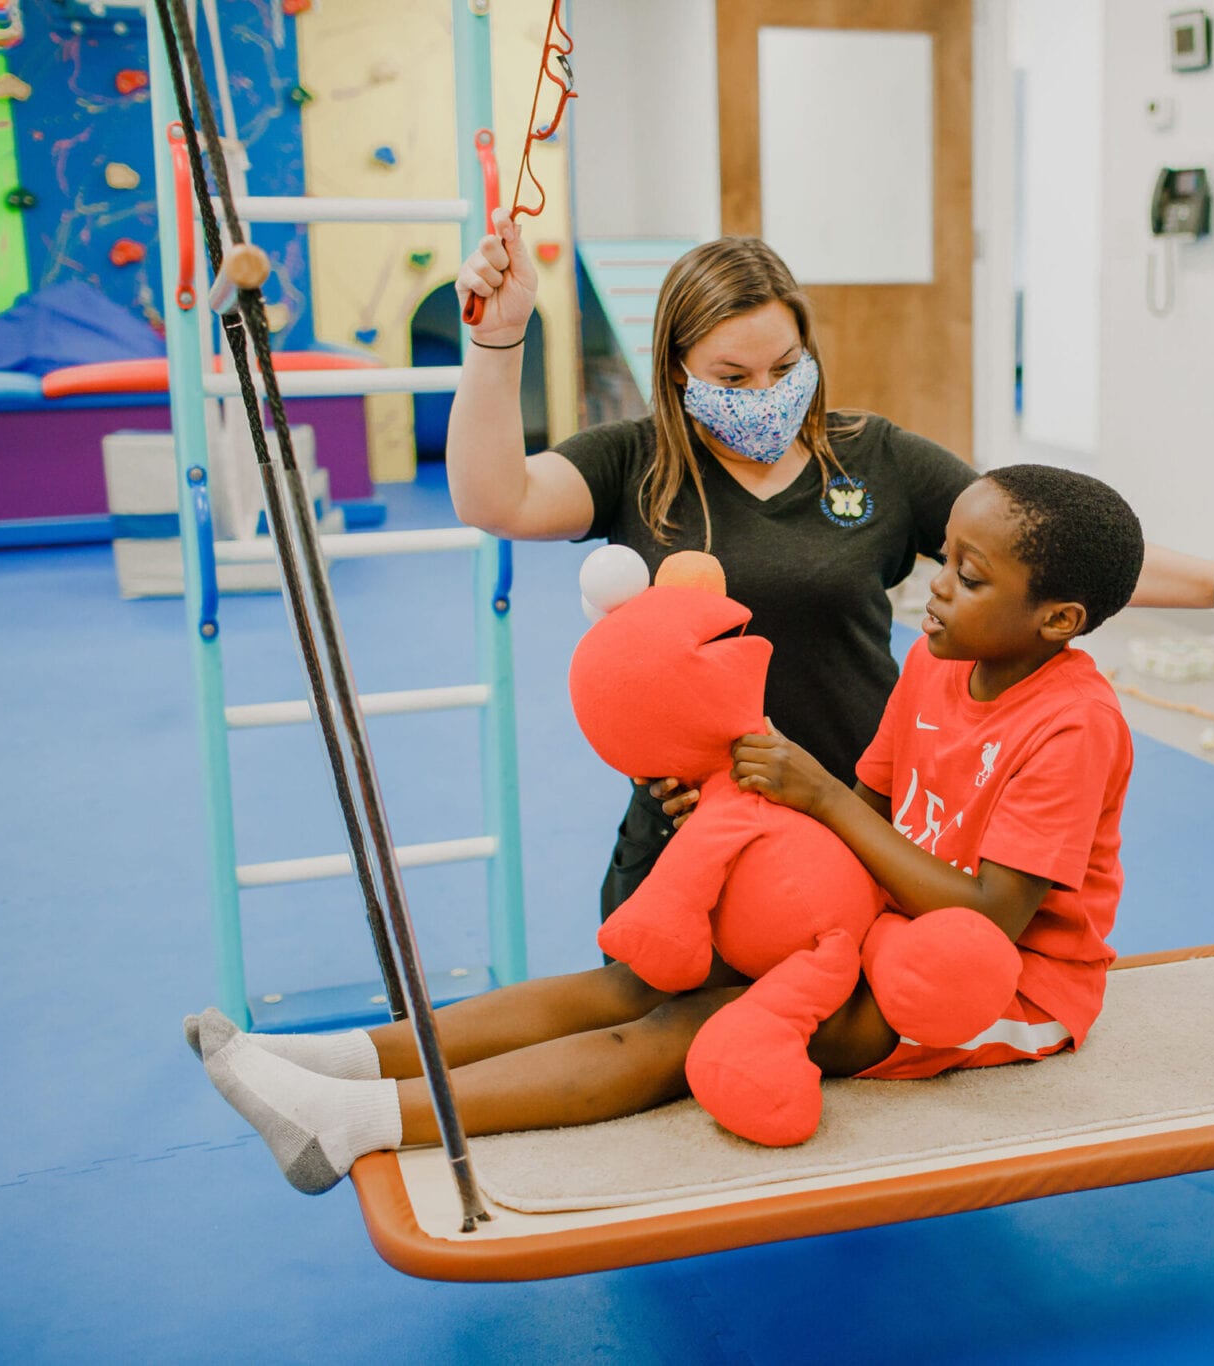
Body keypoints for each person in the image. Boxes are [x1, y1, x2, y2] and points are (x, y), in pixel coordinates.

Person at [188, 463, 1145, 1194]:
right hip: (882, 922)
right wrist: (758, 821)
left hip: (996, 989)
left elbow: (991, 917)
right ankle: (348, 1055)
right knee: (638, 979)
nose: (936, 585)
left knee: (693, 1024)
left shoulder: (1074, 726)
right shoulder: (941, 663)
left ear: (1058, 618)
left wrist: (820, 802)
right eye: (943, 557)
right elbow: (878, 808)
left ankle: (363, 1119)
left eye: (969, 577)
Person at [444, 222, 1214, 924]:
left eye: (786, 367)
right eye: (732, 373)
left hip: (864, 820)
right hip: (693, 824)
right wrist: (500, 341)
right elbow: (497, 499)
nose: (764, 393)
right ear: (678, 368)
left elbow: (1057, 550)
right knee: (664, 1046)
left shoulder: (869, 457)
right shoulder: (635, 462)